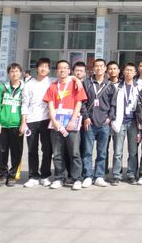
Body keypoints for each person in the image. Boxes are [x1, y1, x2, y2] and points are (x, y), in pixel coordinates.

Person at [44, 60, 87, 190]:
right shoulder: (53, 86)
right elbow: (50, 105)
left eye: (65, 68)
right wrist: (54, 121)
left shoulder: (75, 84)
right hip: (57, 124)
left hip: (71, 124)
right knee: (57, 153)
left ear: (69, 71)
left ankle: (77, 178)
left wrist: (73, 120)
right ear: (56, 71)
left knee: (74, 152)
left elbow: (79, 103)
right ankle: (59, 178)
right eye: (60, 68)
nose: (62, 70)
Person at [80, 59, 115, 188]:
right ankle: (88, 176)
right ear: (93, 68)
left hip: (104, 123)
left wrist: (109, 118)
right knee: (87, 151)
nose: (99, 68)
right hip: (89, 123)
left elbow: (113, 104)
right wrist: (85, 117)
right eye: (97, 66)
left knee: (102, 152)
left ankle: (99, 176)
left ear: (105, 68)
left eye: (101, 66)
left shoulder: (110, 85)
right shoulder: (87, 83)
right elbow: (82, 102)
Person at [20, 57, 53, 188]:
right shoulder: (29, 84)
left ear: (49, 69)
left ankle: (45, 175)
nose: (43, 68)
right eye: (41, 66)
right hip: (31, 121)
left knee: (47, 149)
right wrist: (23, 122)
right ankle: (33, 176)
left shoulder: (51, 83)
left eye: (46, 66)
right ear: (37, 68)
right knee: (32, 149)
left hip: (47, 120)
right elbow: (24, 103)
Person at [0, 63, 25, 187]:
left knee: (17, 152)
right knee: (2, 151)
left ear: (21, 73)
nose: (14, 73)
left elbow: (26, 107)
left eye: (17, 71)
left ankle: (13, 175)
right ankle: (2, 175)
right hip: (3, 125)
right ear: (8, 73)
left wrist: (23, 123)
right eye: (12, 71)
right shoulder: (2, 88)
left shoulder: (25, 88)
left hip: (17, 125)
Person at [110, 62, 141, 185]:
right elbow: (112, 104)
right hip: (120, 121)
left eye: (131, 70)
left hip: (133, 122)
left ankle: (131, 174)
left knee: (133, 151)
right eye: (127, 70)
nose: (129, 72)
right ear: (123, 72)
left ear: (135, 73)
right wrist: (113, 119)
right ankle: (116, 175)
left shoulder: (139, 87)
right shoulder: (117, 87)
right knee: (117, 151)